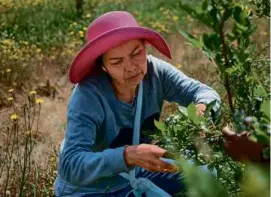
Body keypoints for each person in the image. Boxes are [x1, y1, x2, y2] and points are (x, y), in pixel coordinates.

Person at [54, 11, 221, 197]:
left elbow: (206, 94)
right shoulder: (89, 95)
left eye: (136, 54)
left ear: (145, 47)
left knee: (207, 173)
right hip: (90, 190)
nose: (131, 66)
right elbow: (70, 164)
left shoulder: (155, 72)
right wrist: (127, 156)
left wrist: (202, 112)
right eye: (117, 61)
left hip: (135, 176)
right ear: (103, 67)